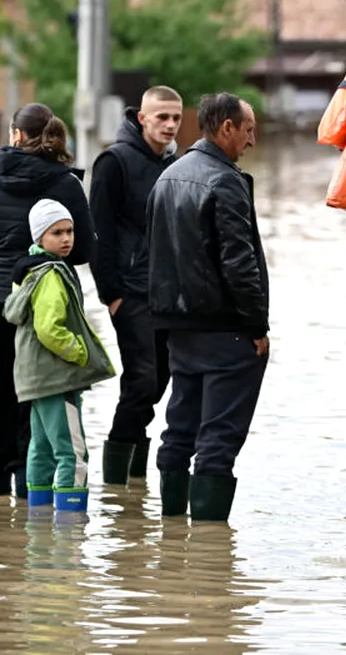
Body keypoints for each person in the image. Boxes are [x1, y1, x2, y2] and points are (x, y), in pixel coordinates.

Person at [146, 92, 268, 523]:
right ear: (227, 128)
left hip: (177, 328)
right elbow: (240, 263)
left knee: (178, 429)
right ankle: (209, 553)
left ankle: (171, 535)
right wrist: (257, 326)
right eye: (249, 129)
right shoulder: (225, 180)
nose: (252, 141)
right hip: (225, 329)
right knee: (218, 439)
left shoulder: (167, 176)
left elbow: (154, 255)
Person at [0, 104, 96, 498]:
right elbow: (82, 251)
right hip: (47, 296)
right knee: (40, 392)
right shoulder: (65, 183)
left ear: (15, 134)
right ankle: (32, 492)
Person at [89, 86, 183, 485]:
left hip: (169, 293)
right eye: (162, 117)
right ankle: (117, 478)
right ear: (141, 118)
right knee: (142, 378)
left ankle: (132, 479)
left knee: (160, 379)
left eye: (176, 118)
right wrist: (111, 293)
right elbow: (98, 231)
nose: (170, 125)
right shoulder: (114, 162)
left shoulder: (176, 163)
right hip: (129, 290)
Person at [4, 200, 116, 512]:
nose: (66, 239)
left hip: (36, 378)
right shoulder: (52, 275)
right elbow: (49, 328)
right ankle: (70, 530)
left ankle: (38, 523)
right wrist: (79, 353)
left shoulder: (29, 271)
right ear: (39, 238)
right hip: (56, 377)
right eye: (57, 233)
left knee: (40, 447)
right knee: (73, 452)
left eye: (70, 231)